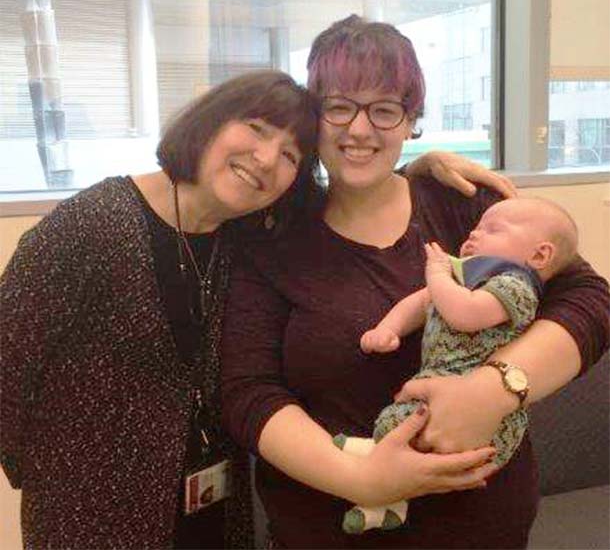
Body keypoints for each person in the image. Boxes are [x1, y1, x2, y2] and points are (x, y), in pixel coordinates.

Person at [0, 68, 516, 549]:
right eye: (255, 128)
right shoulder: (92, 227)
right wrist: (60, 471)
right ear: (208, 123)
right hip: (94, 515)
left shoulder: (248, 234)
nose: (267, 159)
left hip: (215, 505)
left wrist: (417, 168)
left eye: (292, 154)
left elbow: (356, 187)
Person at [221, 16, 610, 549]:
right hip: (329, 528)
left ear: (411, 121)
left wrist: (493, 390)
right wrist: (362, 478)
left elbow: (589, 300)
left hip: (482, 526)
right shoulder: (273, 237)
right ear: (314, 116)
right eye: (339, 106)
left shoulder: (465, 208)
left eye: (385, 110)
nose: (360, 130)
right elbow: (248, 393)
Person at [337, 197, 579, 534]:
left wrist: (437, 274)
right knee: (398, 423)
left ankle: (382, 487)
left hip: (488, 422)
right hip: (437, 386)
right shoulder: (461, 278)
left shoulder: (516, 286)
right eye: (476, 227)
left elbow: (465, 314)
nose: (474, 235)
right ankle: (386, 495)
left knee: (412, 434)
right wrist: (388, 329)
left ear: (539, 255)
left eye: (492, 229)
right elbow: (420, 302)